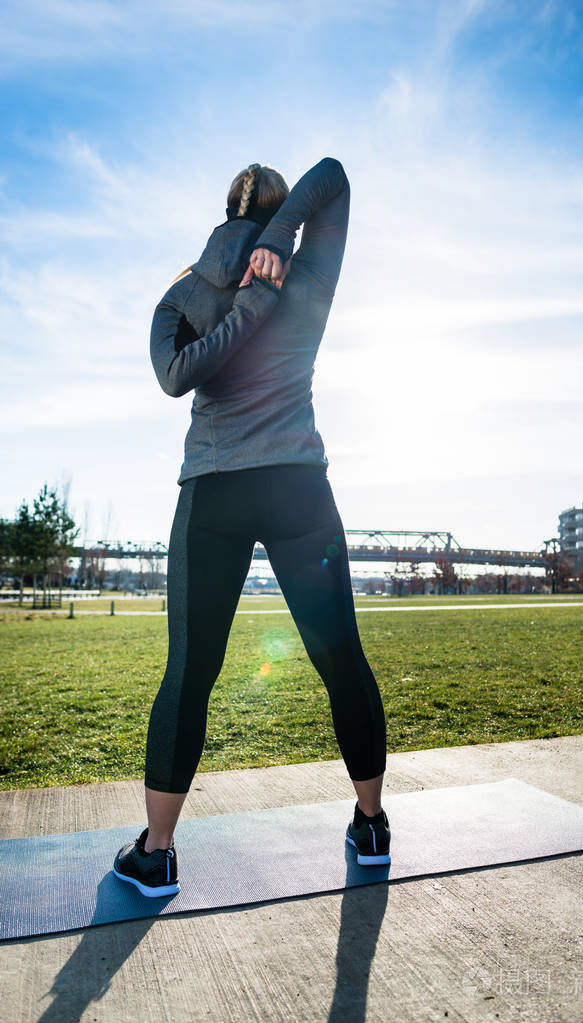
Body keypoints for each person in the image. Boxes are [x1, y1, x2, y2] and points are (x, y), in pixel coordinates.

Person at [113, 158, 390, 897]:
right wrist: (272, 261)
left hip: (214, 490)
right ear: (275, 211)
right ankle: (370, 823)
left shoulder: (183, 287)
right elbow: (332, 174)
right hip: (299, 487)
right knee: (342, 660)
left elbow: (173, 377)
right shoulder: (306, 270)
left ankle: (158, 852)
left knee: (189, 673)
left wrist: (245, 276)